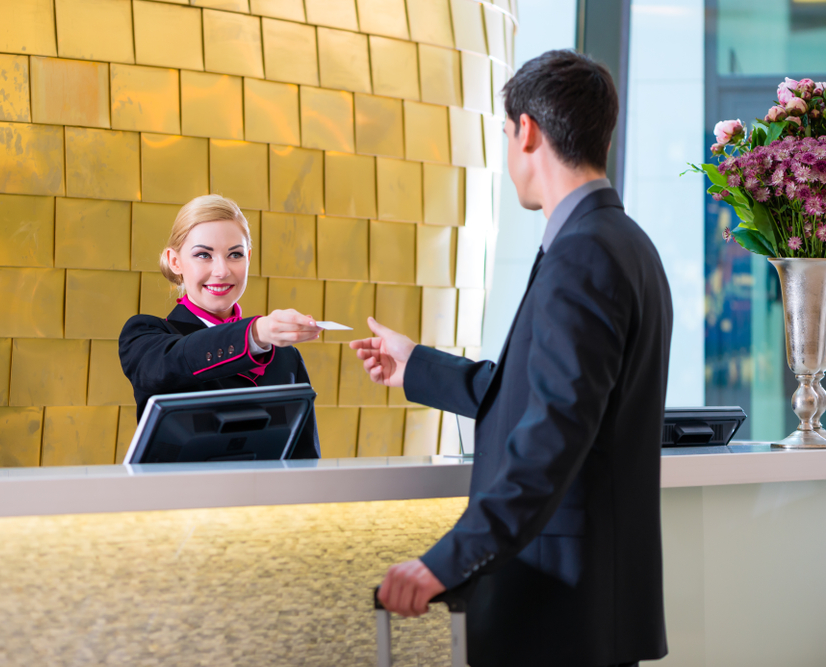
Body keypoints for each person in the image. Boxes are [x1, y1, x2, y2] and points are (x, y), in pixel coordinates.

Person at [353, 50, 673, 667]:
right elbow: (543, 392)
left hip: (557, 615)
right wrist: (415, 364)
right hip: (588, 612)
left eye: (504, 134)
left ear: (526, 130)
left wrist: (442, 563)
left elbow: (551, 440)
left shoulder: (582, 254)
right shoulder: (627, 243)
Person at [119, 194, 323, 459]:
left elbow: (304, 458)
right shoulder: (145, 335)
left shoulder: (285, 356)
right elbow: (174, 361)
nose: (222, 270)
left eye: (235, 255)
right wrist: (254, 333)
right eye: (203, 255)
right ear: (175, 261)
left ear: (248, 259)